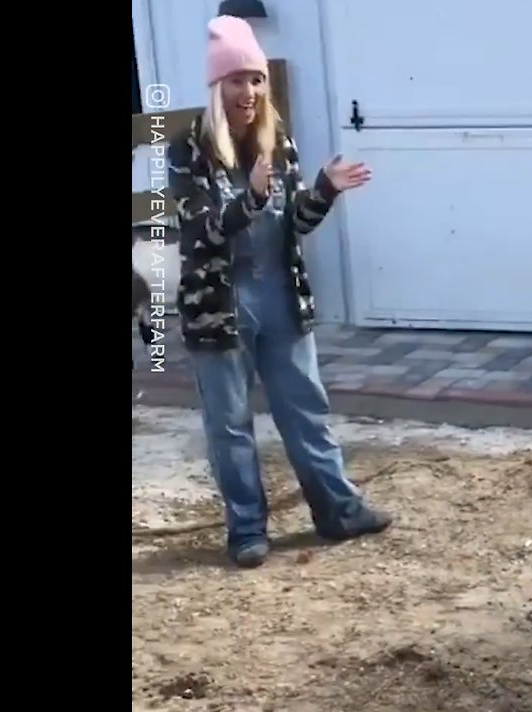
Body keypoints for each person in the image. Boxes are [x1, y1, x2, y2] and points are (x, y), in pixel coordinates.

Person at [167, 15, 391, 567]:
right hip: (219, 307)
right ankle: (246, 531)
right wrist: (250, 201)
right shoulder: (185, 150)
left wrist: (322, 191)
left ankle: (338, 510)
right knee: (230, 424)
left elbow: (295, 224)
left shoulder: (278, 141)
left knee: (305, 409)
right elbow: (199, 231)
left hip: (280, 298)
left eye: (256, 79)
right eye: (238, 80)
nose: (249, 92)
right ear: (218, 86)